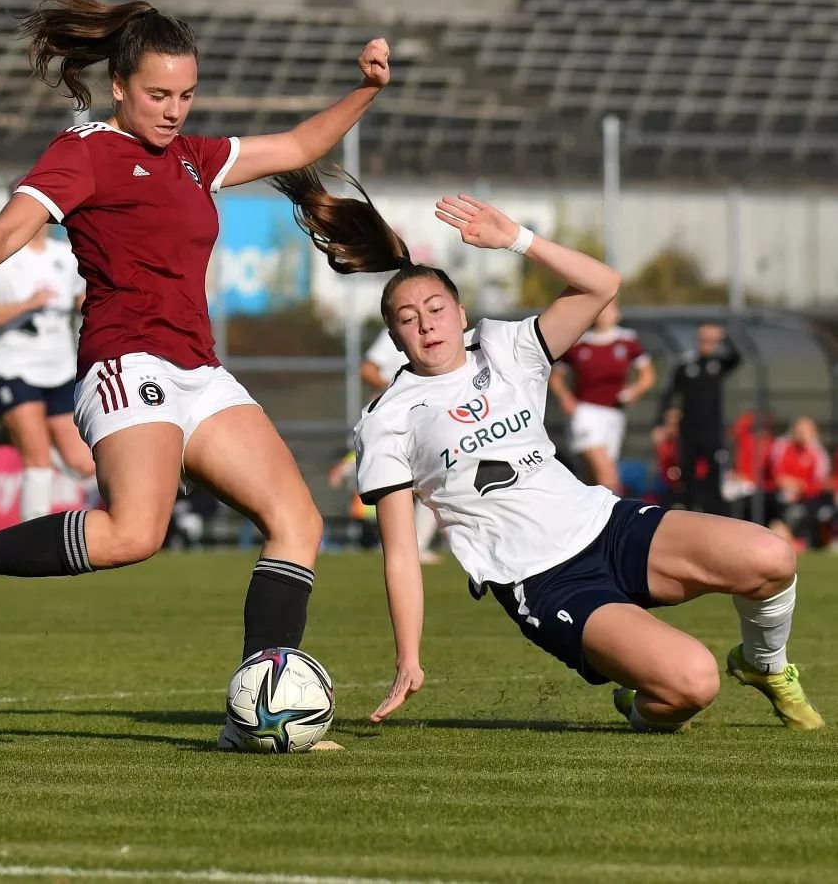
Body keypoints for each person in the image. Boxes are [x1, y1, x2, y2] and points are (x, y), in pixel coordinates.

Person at [0, 0, 391, 748]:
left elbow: (300, 146)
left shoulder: (195, 157)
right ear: (118, 86)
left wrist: (364, 87)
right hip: (124, 360)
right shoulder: (87, 152)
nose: (173, 110)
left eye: (186, 95)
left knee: (296, 519)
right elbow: (11, 227)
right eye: (158, 95)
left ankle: (255, 711)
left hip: (199, 372)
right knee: (134, 534)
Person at [272, 167, 823, 732]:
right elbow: (401, 552)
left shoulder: (504, 347)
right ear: (394, 338)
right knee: (693, 683)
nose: (426, 326)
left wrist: (516, 239)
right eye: (407, 320)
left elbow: (602, 285)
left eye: (437, 310)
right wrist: (408, 656)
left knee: (772, 557)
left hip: (607, 525)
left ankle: (765, 665)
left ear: (461, 316)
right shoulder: (387, 419)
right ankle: (639, 703)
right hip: (544, 580)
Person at [0, 212, 94, 521]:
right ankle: (33, 545)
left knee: (84, 464)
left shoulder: (65, 255)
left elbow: (82, 301)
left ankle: (13, 434)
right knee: (38, 460)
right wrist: (26, 304)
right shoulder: (2, 258)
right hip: (12, 368)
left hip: (59, 370)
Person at [548, 301, 655, 493]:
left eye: (610, 309)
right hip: (585, 413)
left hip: (614, 414)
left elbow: (647, 376)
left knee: (591, 476)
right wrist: (566, 398)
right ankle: (619, 518)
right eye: (601, 309)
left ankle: (585, 517)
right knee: (608, 474)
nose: (605, 314)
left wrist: (634, 391)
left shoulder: (628, 340)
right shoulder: (579, 342)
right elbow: (556, 378)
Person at [360, 327, 443, 563]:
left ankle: (415, 545)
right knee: (400, 486)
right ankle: (401, 546)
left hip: (426, 419)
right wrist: (399, 391)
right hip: (395, 420)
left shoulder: (439, 336)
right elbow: (367, 370)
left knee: (433, 480)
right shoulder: (394, 335)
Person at [659, 323, 742, 515]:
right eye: (703, 339)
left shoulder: (719, 363)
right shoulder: (686, 364)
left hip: (712, 429)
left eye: (711, 340)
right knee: (687, 472)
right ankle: (690, 511)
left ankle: (717, 514)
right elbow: (670, 393)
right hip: (688, 429)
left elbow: (737, 358)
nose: (707, 344)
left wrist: (724, 337)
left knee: (714, 472)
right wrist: (665, 420)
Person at [768, 417, 833, 550]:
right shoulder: (782, 446)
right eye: (799, 429)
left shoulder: (818, 453)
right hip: (780, 495)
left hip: (807, 499)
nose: (801, 433)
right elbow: (776, 473)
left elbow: (819, 483)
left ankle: (801, 540)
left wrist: (801, 486)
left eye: (806, 430)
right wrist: (785, 482)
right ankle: (787, 538)